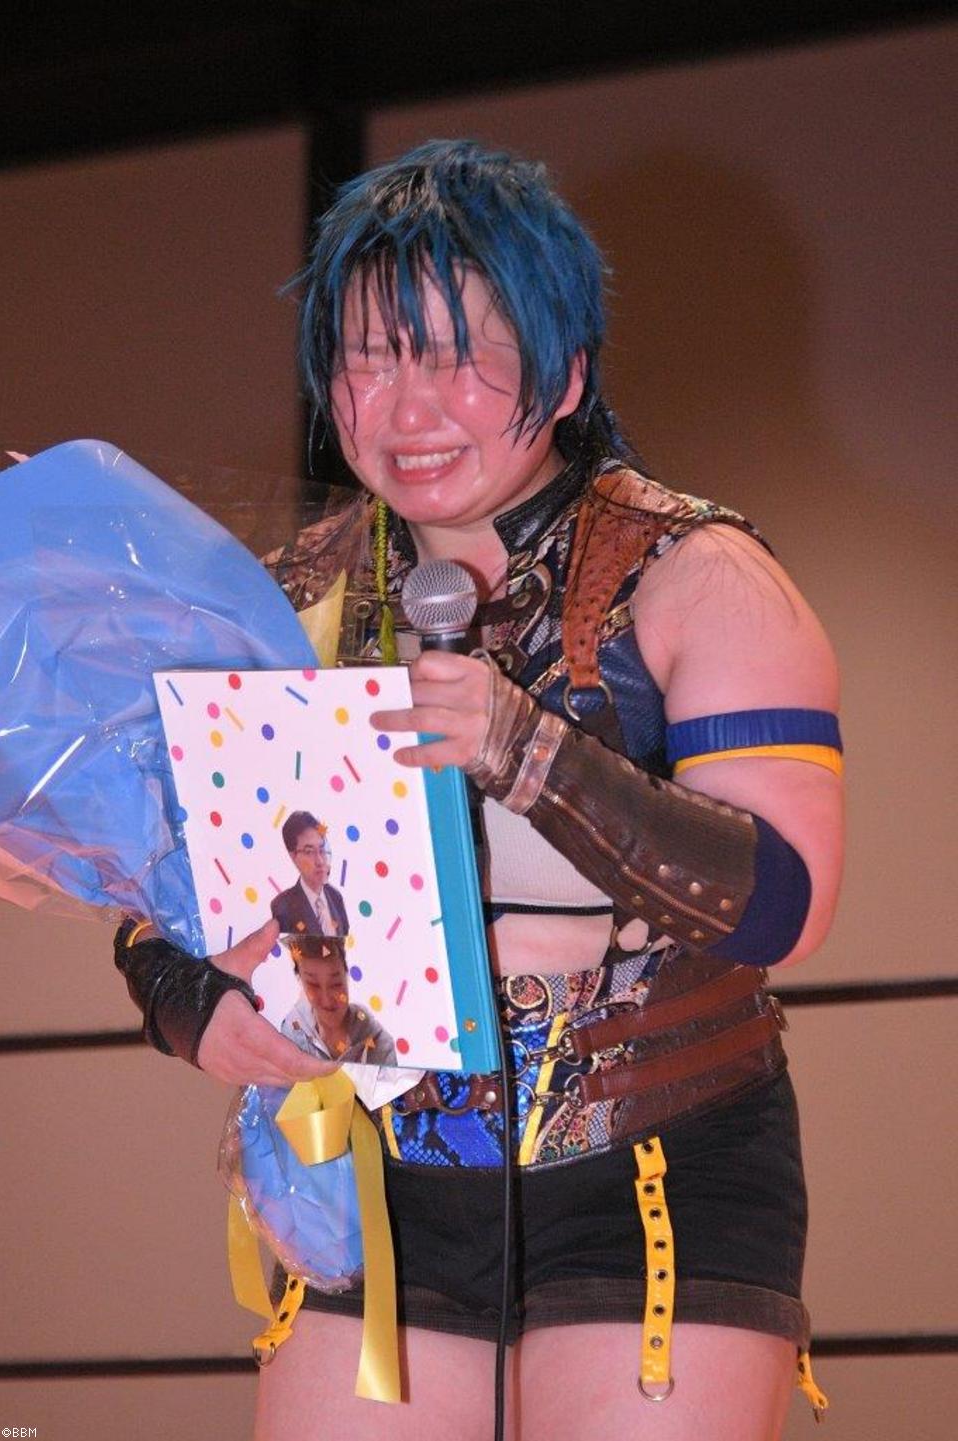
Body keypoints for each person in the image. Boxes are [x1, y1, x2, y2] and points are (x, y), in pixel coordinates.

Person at [115, 140, 843, 1440]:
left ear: (564, 373)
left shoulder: (698, 573)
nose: (406, 407)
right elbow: (153, 879)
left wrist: (533, 752)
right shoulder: (287, 595)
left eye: (454, 356)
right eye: (368, 357)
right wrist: (185, 998)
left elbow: (786, 898)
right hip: (377, 1177)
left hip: (652, 1163)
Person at [281, 934, 397, 1065]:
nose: (326, 1000)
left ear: (346, 976)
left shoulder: (380, 1046)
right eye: (313, 985)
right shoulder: (291, 1033)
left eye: (335, 984)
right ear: (300, 980)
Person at [270, 811, 349, 938]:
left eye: (322, 850)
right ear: (293, 856)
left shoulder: (336, 897)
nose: (320, 861)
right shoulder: (282, 906)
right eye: (309, 851)